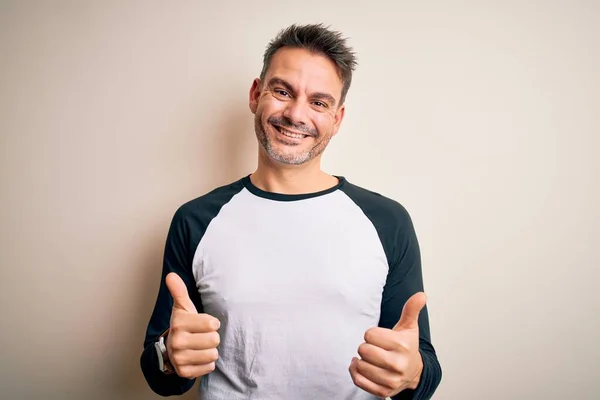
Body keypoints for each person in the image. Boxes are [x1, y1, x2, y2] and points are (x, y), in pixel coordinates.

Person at [140, 23, 442, 399]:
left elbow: (422, 367)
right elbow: (161, 373)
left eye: (319, 101)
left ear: (337, 118)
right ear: (255, 94)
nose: (296, 114)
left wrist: (412, 373)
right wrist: (169, 355)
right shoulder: (196, 220)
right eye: (282, 92)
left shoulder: (386, 221)